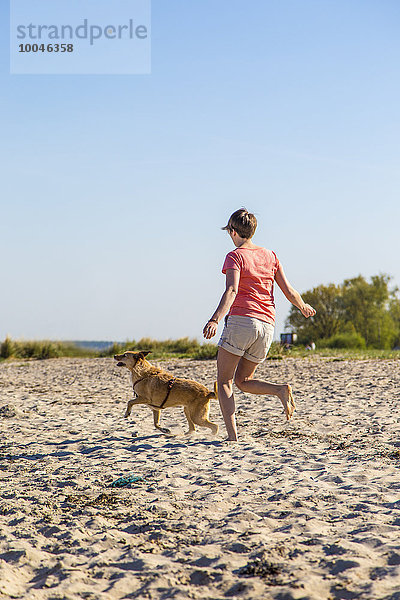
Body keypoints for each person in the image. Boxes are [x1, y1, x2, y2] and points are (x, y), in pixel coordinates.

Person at [203, 208, 316, 441]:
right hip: (267, 326)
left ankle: (232, 437)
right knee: (243, 381)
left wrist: (214, 319)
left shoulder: (235, 256)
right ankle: (279, 390)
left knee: (224, 381)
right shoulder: (271, 256)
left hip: (242, 321)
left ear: (234, 231)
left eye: (229, 232)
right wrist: (303, 306)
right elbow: (288, 290)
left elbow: (232, 290)